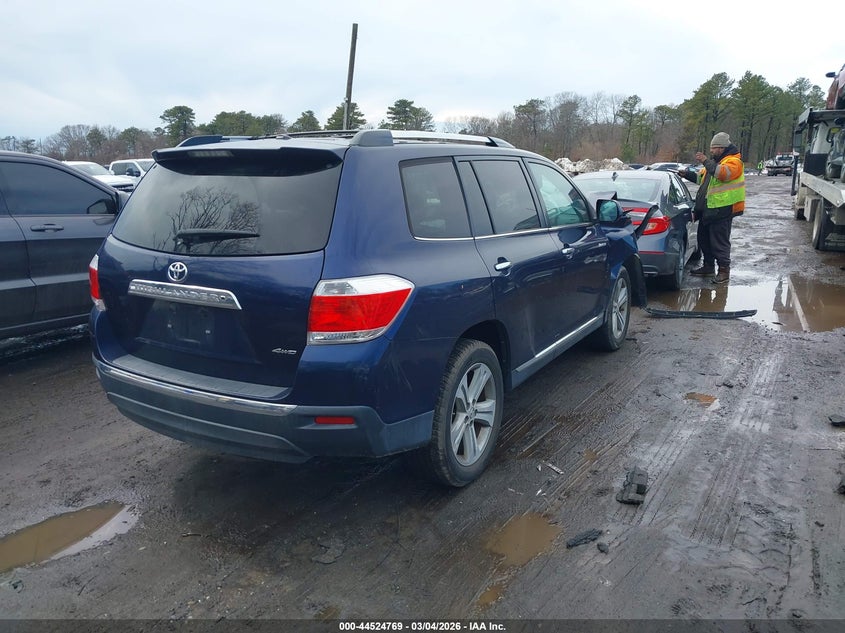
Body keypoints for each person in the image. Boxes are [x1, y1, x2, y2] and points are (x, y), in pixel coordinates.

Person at [677, 132, 745, 284]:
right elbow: (702, 178)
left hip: (723, 209)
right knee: (704, 240)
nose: (711, 151)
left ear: (721, 148)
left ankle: (724, 271)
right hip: (708, 210)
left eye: (713, 148)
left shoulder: (734, 162)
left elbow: (722, 174)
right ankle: (708, 267)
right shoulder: (715, 163)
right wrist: (686, 174)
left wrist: (705, 161)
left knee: (719, 242)